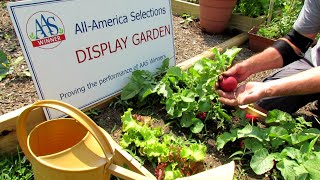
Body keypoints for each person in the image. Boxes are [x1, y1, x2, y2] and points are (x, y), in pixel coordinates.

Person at [217, 0, 320, 114]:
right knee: (258, 106)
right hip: (316, 61)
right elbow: (296, 42)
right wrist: (249, 66)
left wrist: (267, 89)